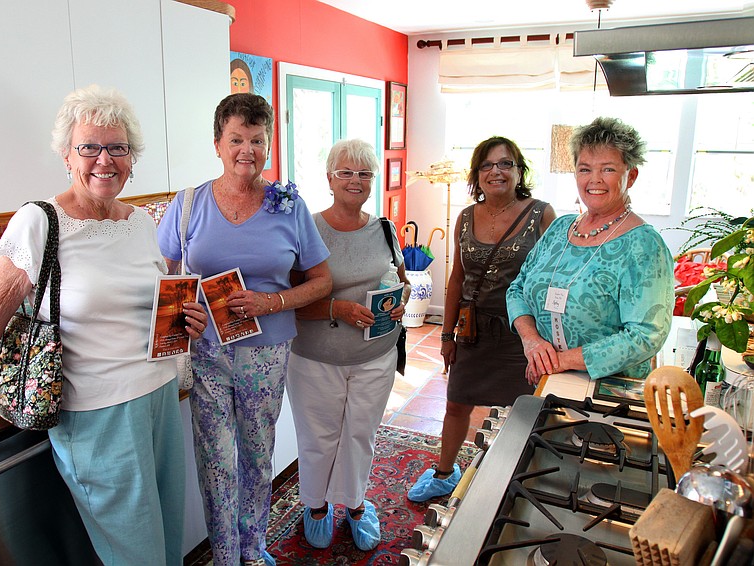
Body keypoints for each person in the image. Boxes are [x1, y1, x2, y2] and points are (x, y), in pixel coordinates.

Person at [0, 84, 208, 566]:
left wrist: (182, 321)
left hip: (160, 397)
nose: (104, 160)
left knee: (168, 544)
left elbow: (142, 306)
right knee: (137, 557)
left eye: (117, 148)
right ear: (66, 155)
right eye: (89, 147)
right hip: (98, 415)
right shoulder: (39, 222)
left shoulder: (141, 222)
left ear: (132, 158)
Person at [157, 92, 332, 566]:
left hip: (267, 354)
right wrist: (183, 317)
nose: (246, 151)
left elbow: (322, 281)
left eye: (257, 140)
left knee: (257, 455)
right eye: (236, 139)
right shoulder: (188, 204)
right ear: (217, 143)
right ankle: (225, 556)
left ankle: (253, 548)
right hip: (207, 355)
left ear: (269, 145)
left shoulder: (288, 207)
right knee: (215, 461)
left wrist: (270, 300)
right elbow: (167, 277)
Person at [408, 136, 555, 502]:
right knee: (457, 402)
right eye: (487, 165)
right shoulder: (465, 217)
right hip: (471, 329)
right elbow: (457, 277)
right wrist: (446, 335)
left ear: (519, 170)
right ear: (477, 174)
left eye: (505, 163)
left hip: (521, 333)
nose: (496, 171)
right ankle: (444, 473)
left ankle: (512, 481)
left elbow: (553, 277)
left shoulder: (541, 214)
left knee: (521, 411)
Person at [286, 139, 411, 551]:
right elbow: (287, 303)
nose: (355, 181)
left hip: (375, 355)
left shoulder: (385, 229)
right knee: (318, 436)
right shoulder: (306, 230)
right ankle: (316, 506)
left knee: (361, 433)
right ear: (329, 179)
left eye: (364, 173)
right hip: (315, 358)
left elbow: (403, 282)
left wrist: (401, 301)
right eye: (346, 172)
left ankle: (355, 504)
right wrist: (336, 307)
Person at [506, 116, 674, 385]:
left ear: (631, 176)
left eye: (607, 169)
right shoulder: (560, 228)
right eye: (584, 169)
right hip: (547, 380)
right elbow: (517, 289)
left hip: (606, 392)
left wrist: (560, 361)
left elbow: (646, 335)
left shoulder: (644, 245)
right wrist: (532, 342)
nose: (594, 179)